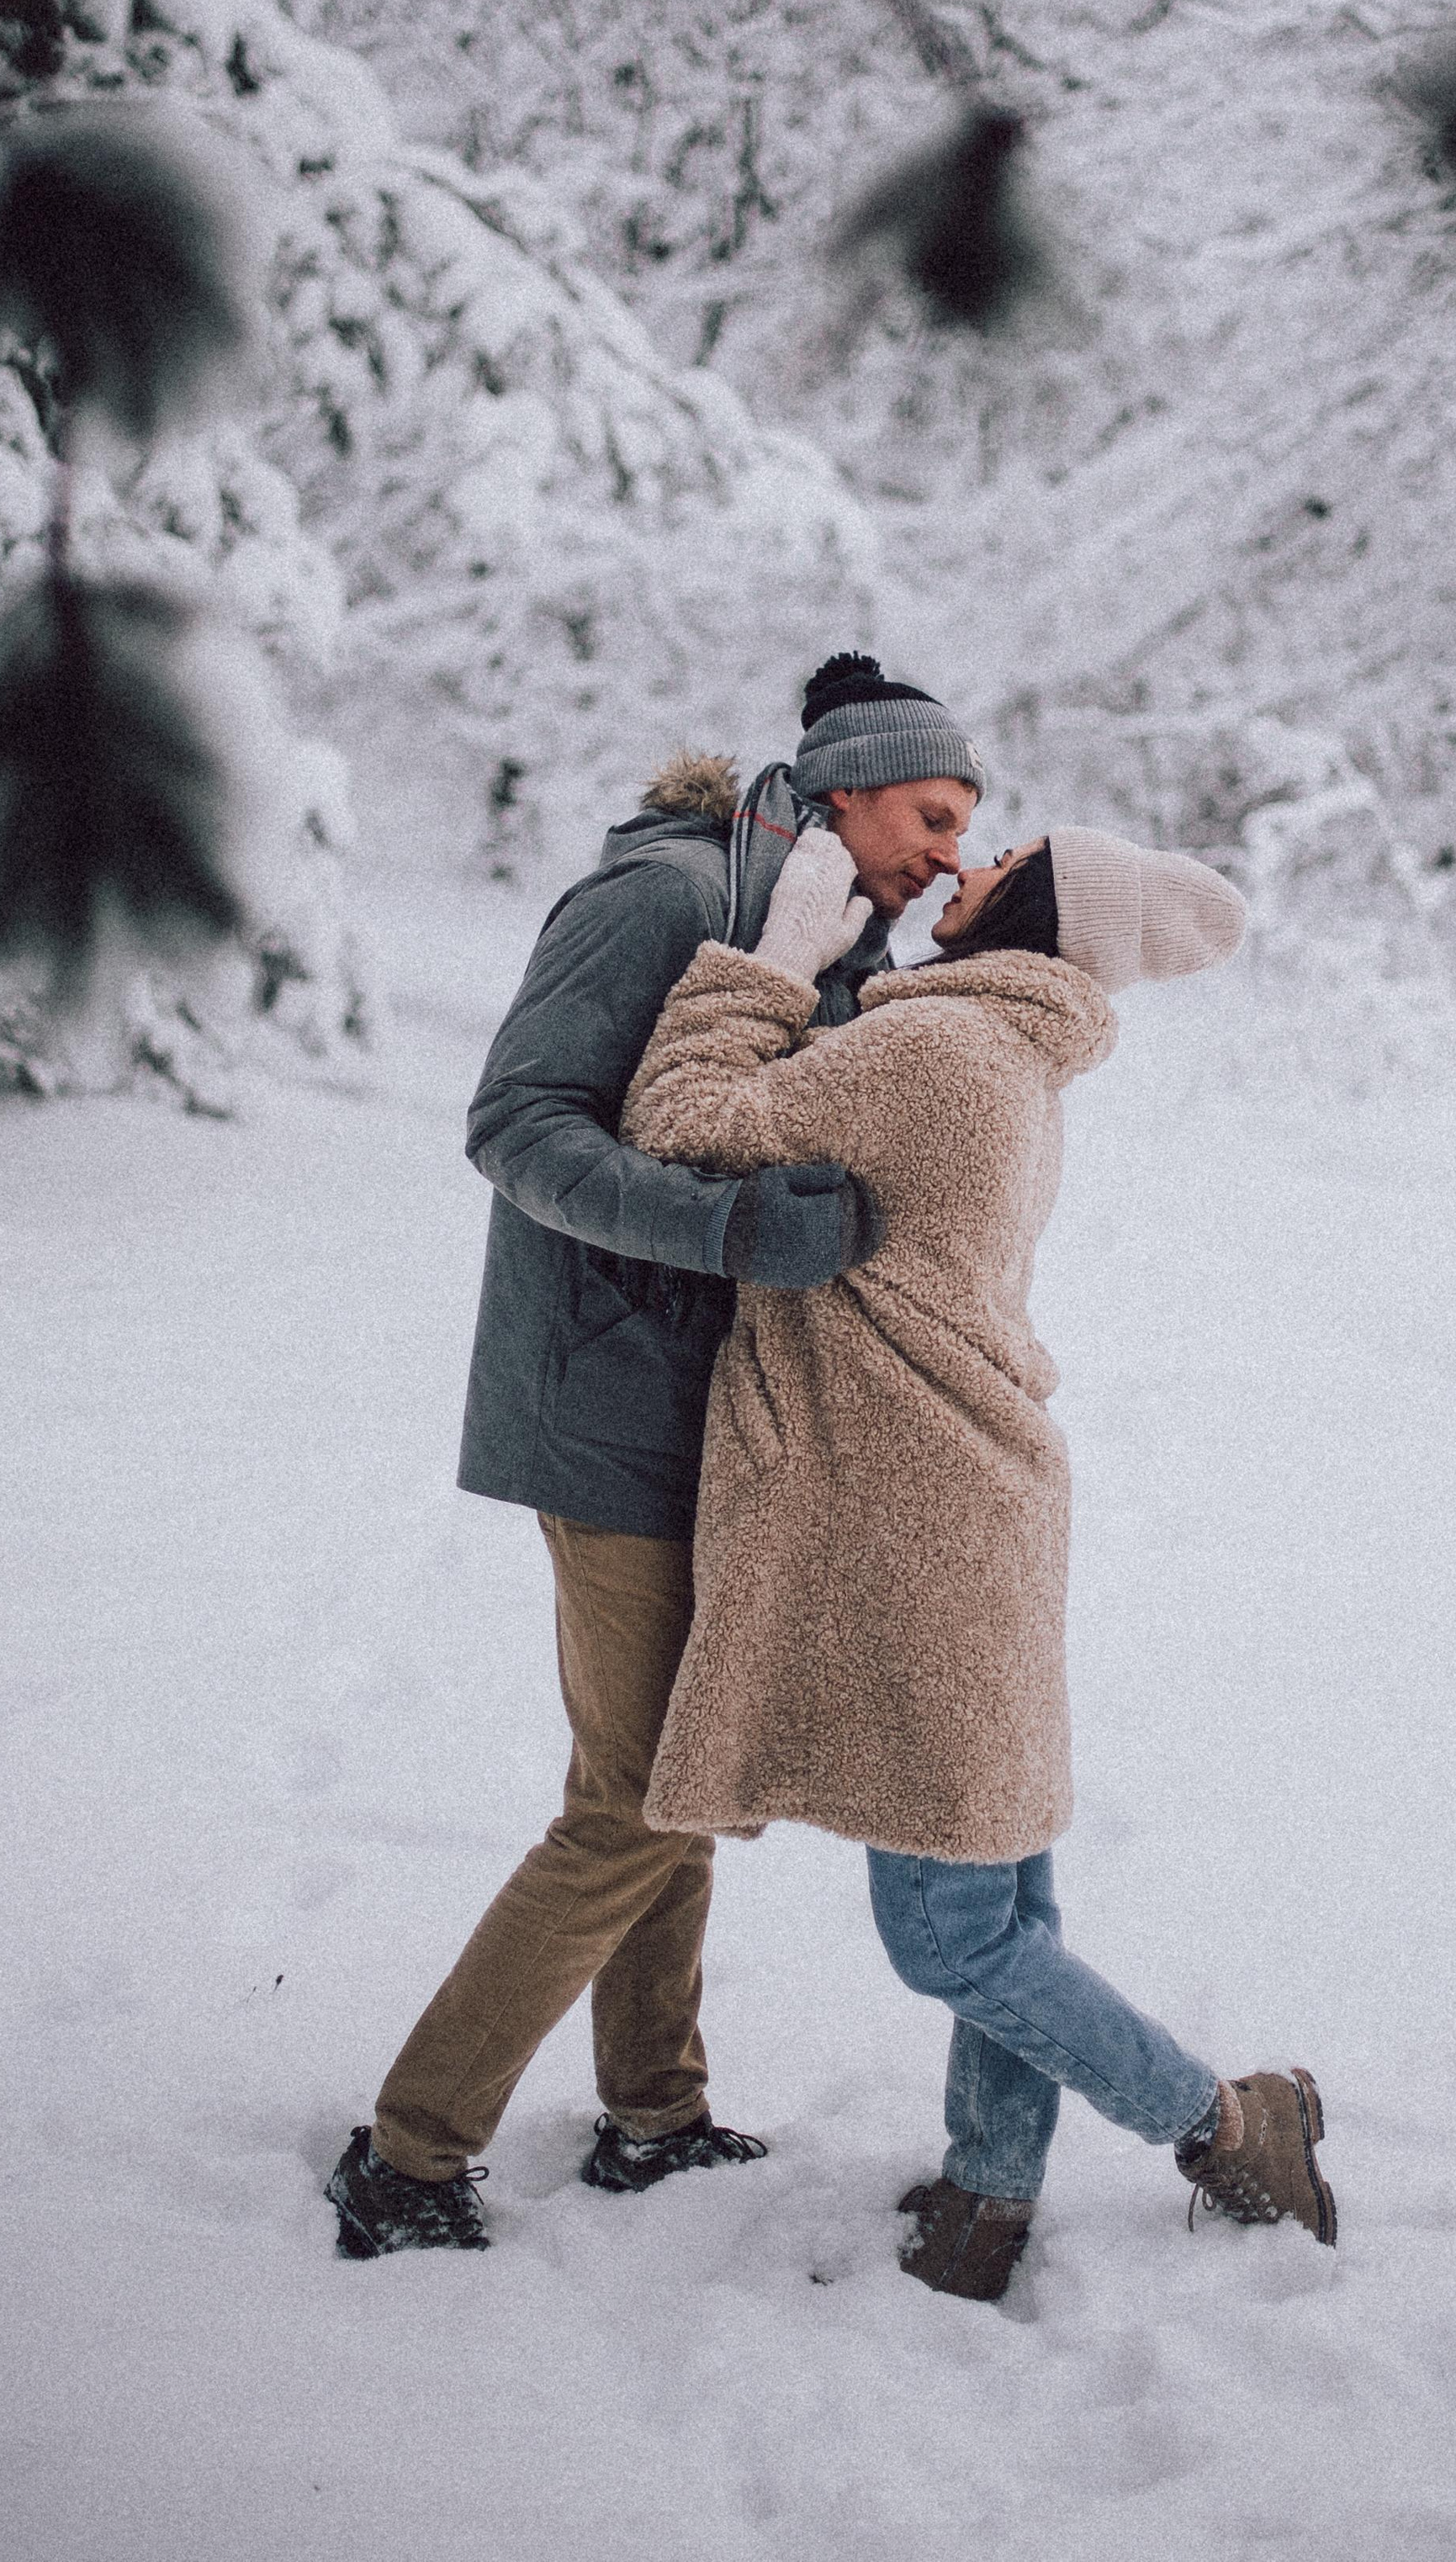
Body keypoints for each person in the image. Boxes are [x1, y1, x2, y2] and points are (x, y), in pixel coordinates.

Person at [617, 821, 1337, 2304]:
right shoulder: (993, 1053)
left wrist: (770, 959)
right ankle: (989, 2195)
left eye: (998, 855)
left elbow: (677, 1117)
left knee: (948, 1937)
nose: (962, 864)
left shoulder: (934, 1059)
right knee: (1004, 1903)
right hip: (964, 1510)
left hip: (918, 1528)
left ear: (1042, 906)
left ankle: (1230, 2124)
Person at [325, 654, 987, 2256]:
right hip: (601, 1402)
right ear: (845, 791)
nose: (950, 853)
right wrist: (731, 1227)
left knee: (676, 1772)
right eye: (932, 813)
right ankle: (409, 2155)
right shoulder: (666, 895)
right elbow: (518, 1124)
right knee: (636, 1801)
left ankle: (654, 2112)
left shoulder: (822, 932)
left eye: (969, 829)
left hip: (707, 1420)